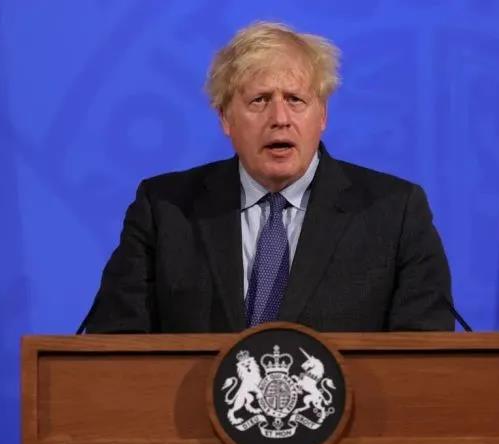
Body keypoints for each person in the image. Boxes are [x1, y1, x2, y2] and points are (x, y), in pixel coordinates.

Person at [83, 21, 455, 334]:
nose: (280, 118)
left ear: (322, 116)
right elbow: (114, 344)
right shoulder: (165, 210)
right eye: (259, 100)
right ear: (225, 118)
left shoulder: (394, 212)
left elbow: (425, 355)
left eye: (295, 100)